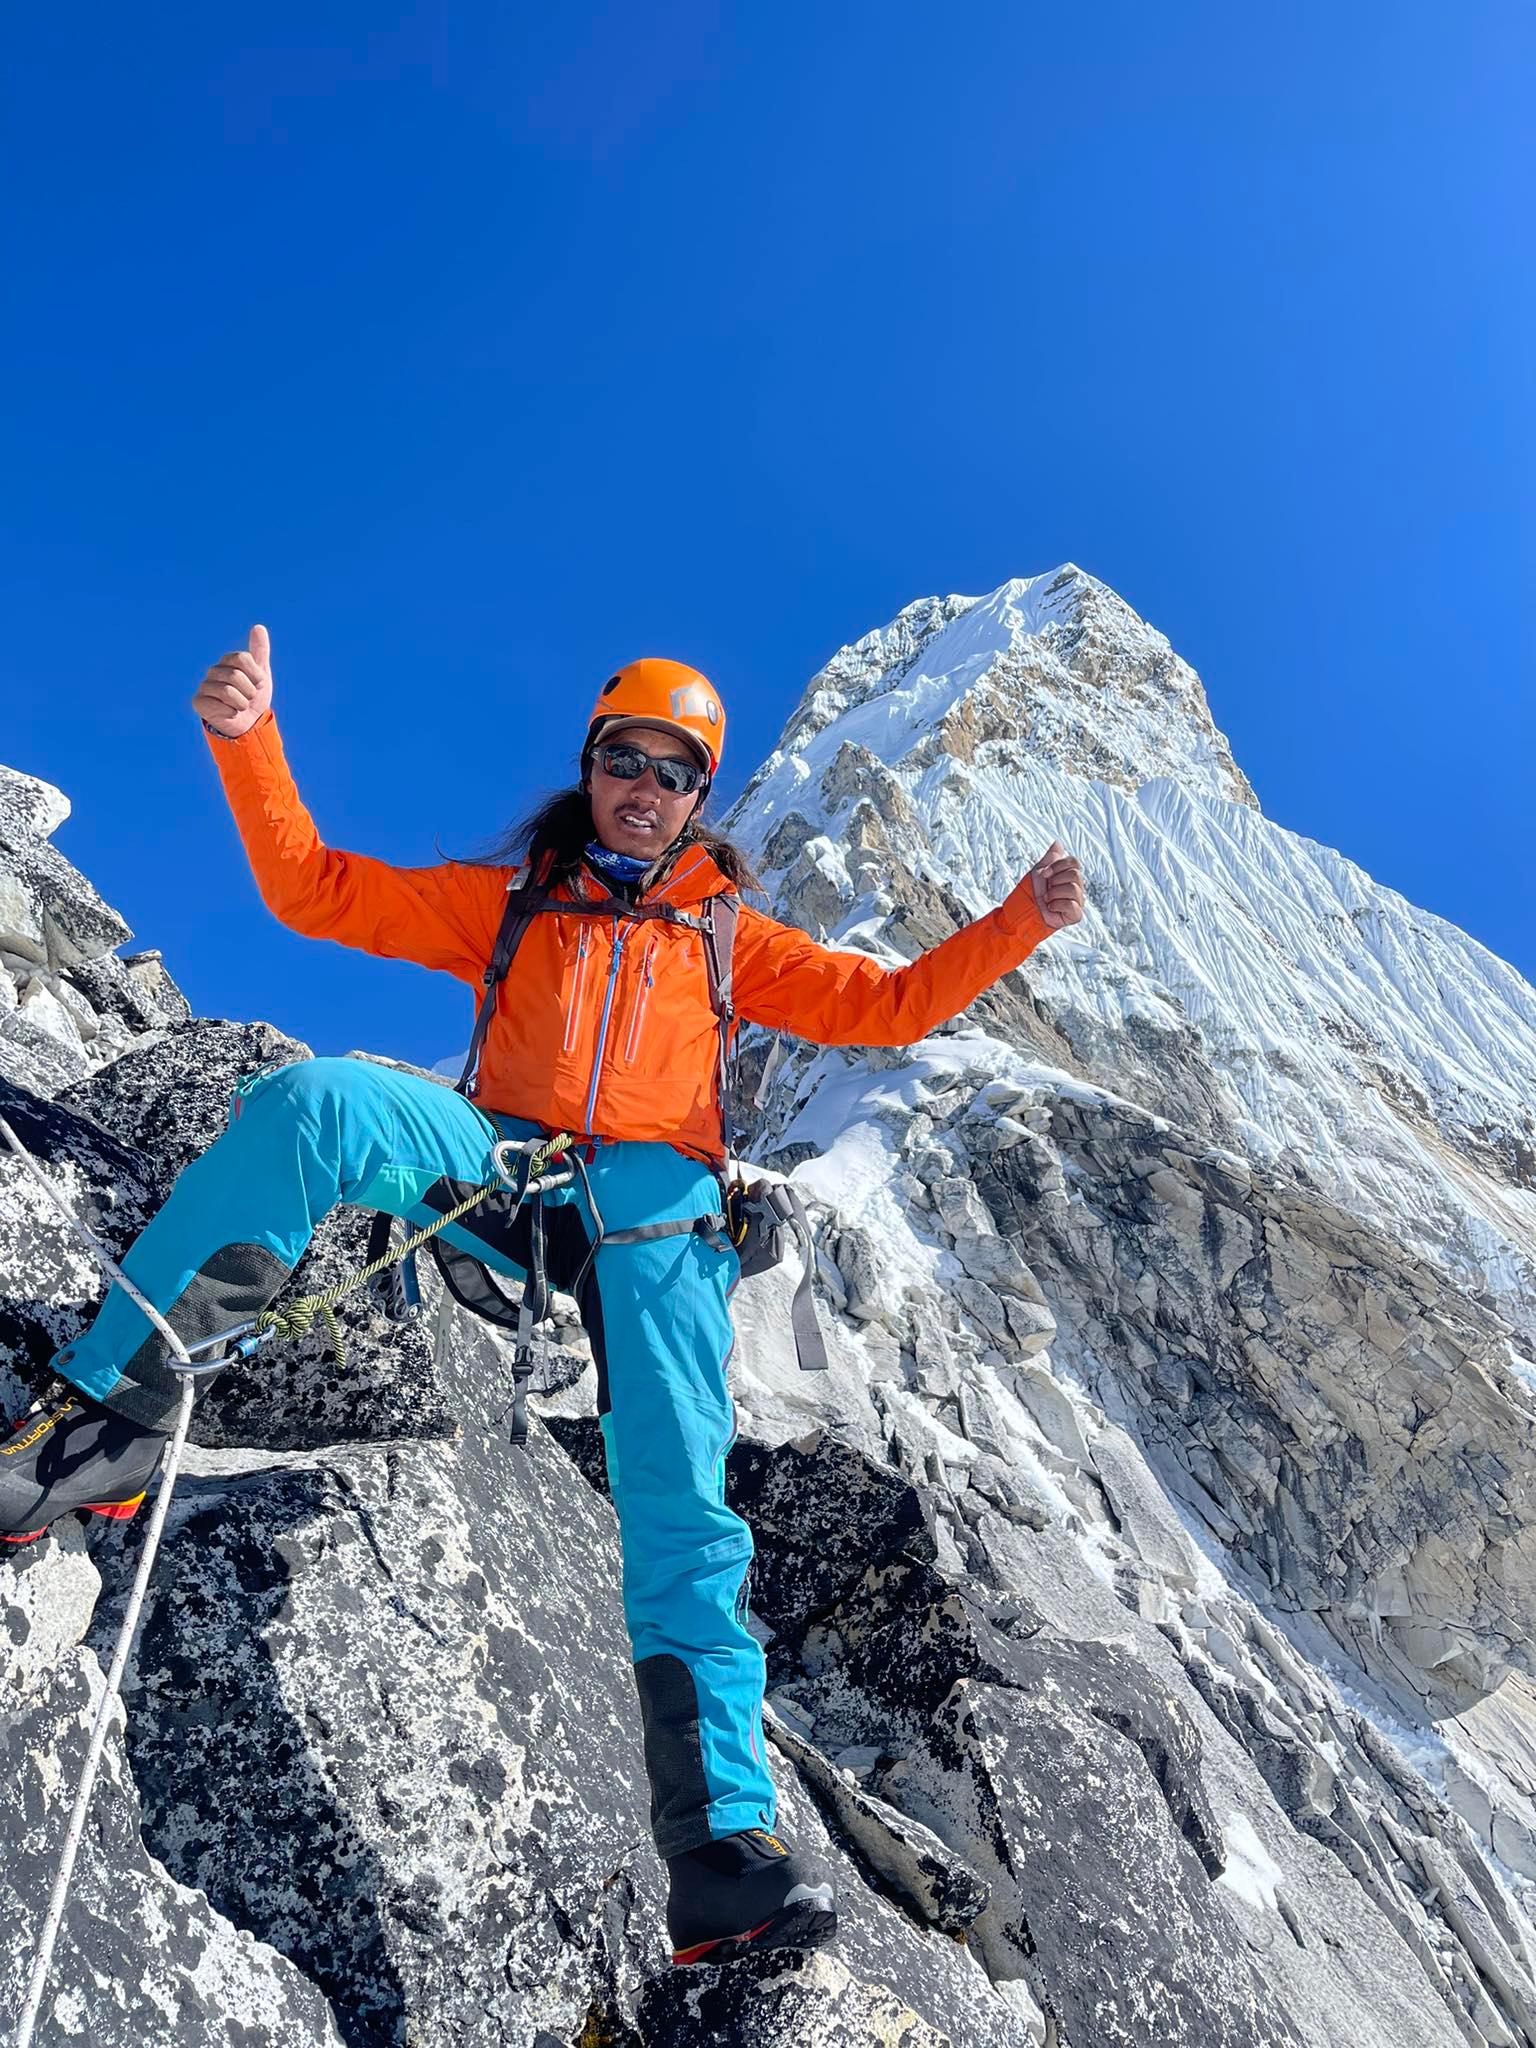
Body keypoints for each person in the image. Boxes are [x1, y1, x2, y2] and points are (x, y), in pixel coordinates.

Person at [1, 625, 1085, 1966]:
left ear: (701, 798)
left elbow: (893, 1004)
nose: (646, 786)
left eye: (674, 772)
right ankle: (106, 1426)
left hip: (656, 1216)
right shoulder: (519, 902)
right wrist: (248, 744)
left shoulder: (732, 940)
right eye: (626, 761)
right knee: (316, 1101)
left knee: (680, 1497)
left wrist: (1017, 927)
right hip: (507, 1175)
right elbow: (317, 891)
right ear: (591, 769)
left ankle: (718, 1851)